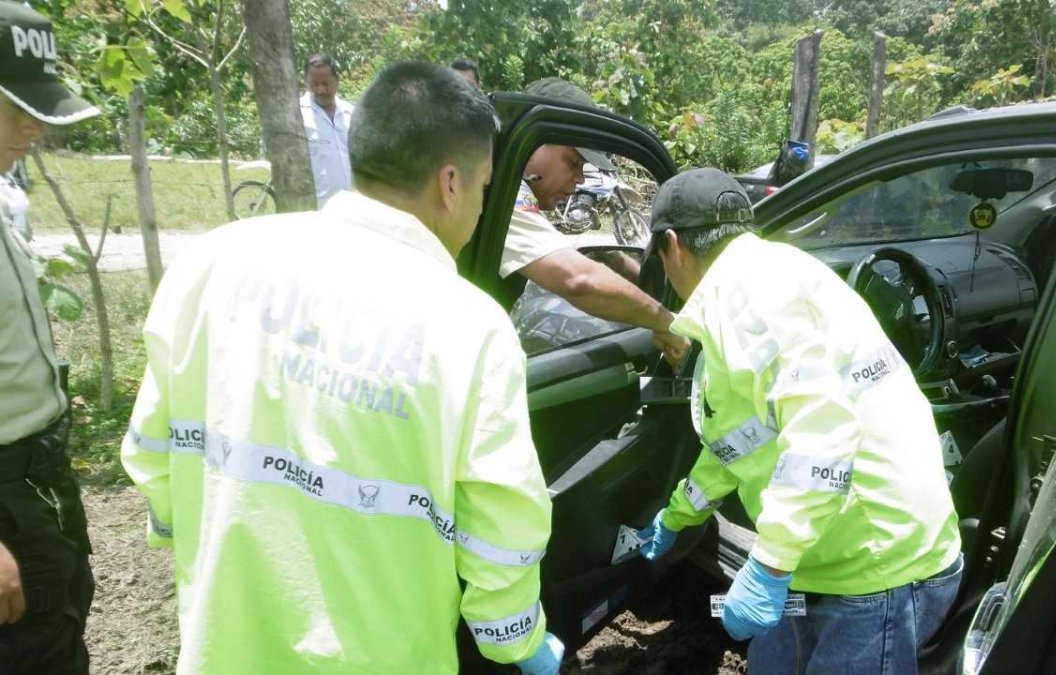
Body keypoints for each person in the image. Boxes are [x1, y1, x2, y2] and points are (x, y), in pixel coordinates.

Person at [122, 62, 562, 675]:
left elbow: (152, 452)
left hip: (225, 650)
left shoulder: (213, 262)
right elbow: (503, 529)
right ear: (451, 183)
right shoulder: (471, 329)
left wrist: (195, 536)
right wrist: (516, 639)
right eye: (488, 186)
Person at [637, 168, 962, 675]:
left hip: (875, 567)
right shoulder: (767, 276)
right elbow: (742, 439)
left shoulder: (747, 301)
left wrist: (768, 564)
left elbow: (821, 436)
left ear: (672, 245)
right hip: (817, 556)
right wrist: (680, 514)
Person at [0, 3, 101, 672]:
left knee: (57, 631)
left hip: (36, 476)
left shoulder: (5, 193)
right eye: (15, 107)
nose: (34, 127)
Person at [502, 77, 688, 367]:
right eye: (574, 162)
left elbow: (557, 256)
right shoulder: (505, 194)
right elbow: (577, 280)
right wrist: (667, 322)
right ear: (535, 142)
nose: (579, 179)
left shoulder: (504, 187)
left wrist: (615, 262)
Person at [300, 53, 354, 208]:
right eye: (314, 84)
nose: (321, 90)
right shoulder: (297, 115)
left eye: (326, 83)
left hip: (354, 205)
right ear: (306, 82)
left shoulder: (351, 113)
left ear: (337, 80)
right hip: (318, 208)